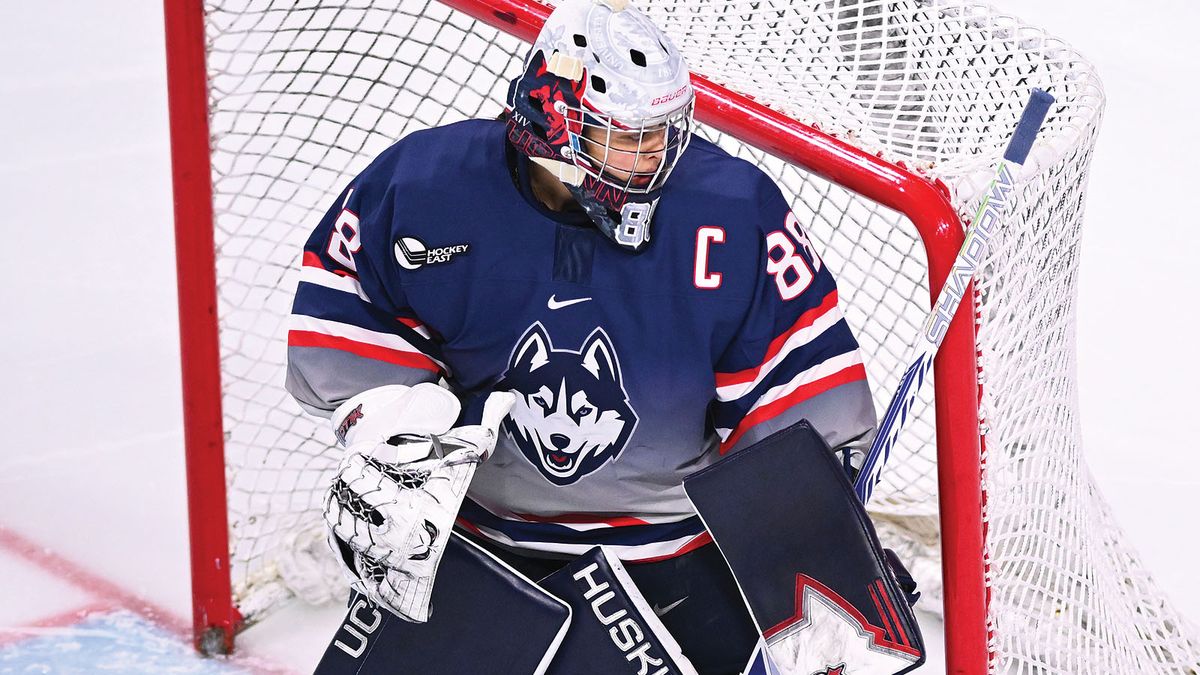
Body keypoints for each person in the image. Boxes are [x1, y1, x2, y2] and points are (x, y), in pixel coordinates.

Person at [286, 0, 877, 670]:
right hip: (473, 547)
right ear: (554, 123)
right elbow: (351, 303)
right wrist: (390, 423)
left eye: (663, 131)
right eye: (628, 136)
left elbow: (798, 405)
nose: (655, 154)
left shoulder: (732, 214)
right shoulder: (427, 188)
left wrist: (817, 541)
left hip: (671, 556)